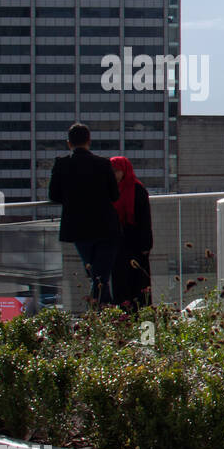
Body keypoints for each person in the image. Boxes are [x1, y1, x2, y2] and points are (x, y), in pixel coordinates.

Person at [49, 123, 121, 307]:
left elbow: (54, 195)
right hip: (106, 227)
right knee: (101, 275)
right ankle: (107, 314)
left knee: (96, 275)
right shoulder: (104, 163)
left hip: (79, 229)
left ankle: (102, 315)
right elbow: (115, 195)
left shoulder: (62, 164)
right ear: (89, 141)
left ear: (69, 143)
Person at [109, 155, 153, 311]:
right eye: (111, 171)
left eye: (116, 171)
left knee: (139, 283)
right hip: (118, 244)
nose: (113, 174)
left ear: (124, 171)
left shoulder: (137, 189)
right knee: (120, 284)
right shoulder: (111, 190)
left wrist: (146, 245)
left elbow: (145, 219)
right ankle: (124, 320)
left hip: (135, 243)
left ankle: (143, 322)